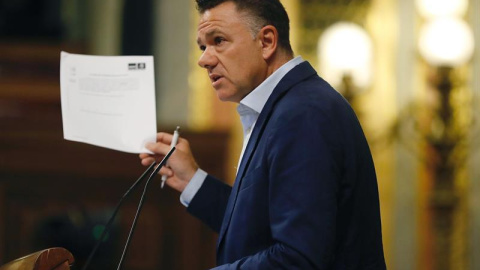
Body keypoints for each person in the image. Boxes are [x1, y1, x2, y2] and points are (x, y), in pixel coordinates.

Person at [139, 0, 387, 268]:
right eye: (202, 46)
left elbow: (297, 259)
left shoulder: (304, 114)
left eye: (218, 40)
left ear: (267, 41)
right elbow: (258, 230)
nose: (204, 59)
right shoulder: (288, 106)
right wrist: (192, 181)